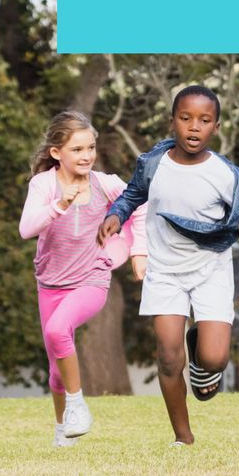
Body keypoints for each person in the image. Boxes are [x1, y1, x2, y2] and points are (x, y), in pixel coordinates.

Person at [96, 85, 239, 445]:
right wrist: (115, 215)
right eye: (185, 118)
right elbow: (131, 195)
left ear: (216, 127)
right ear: (172, 121)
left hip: (211, 270)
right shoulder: (154, 164)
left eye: (204, 121)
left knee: (215, 359)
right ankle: (183, 437)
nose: (193, 127)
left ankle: (201, 344)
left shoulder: (227, 176)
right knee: (169, 358)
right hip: (165, 272)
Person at [19, 110, 147, 448]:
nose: (87, 155)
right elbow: (26, 228)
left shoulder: (106, 183)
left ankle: (78, 407)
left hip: (92, 279)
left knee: (57, 330)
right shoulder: (43, 184)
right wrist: (59, 205)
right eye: (77, 149)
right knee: (56, 369)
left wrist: (135, 252)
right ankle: (63, 428)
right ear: (56, 153)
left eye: (90, 147)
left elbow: (140, 205)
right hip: (50, 283)